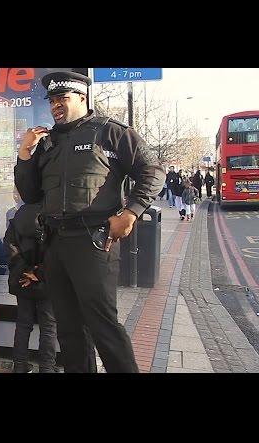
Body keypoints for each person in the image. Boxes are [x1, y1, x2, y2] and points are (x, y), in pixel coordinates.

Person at [14, 71, 165, 373]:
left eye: (63, 99)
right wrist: (24, 153)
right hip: (55, 242)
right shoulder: (47, 142)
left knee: (102, 324)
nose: (56, 105)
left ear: (82, 97)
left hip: (94, 241)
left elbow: (153, 171)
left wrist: (131, 212)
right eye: (53, 100)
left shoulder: (111, 132)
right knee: (69, 328)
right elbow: (31, 194)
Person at [3, 201, 57, 373]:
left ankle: (20, 365)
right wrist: (38, 273)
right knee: (48, 326)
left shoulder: (18, 217)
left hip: (22, 279)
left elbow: (10, 246)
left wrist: (26, 271)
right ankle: (47, 368)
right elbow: (56, 251)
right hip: (46, 280)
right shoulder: (52, 215)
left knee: (23, 323)